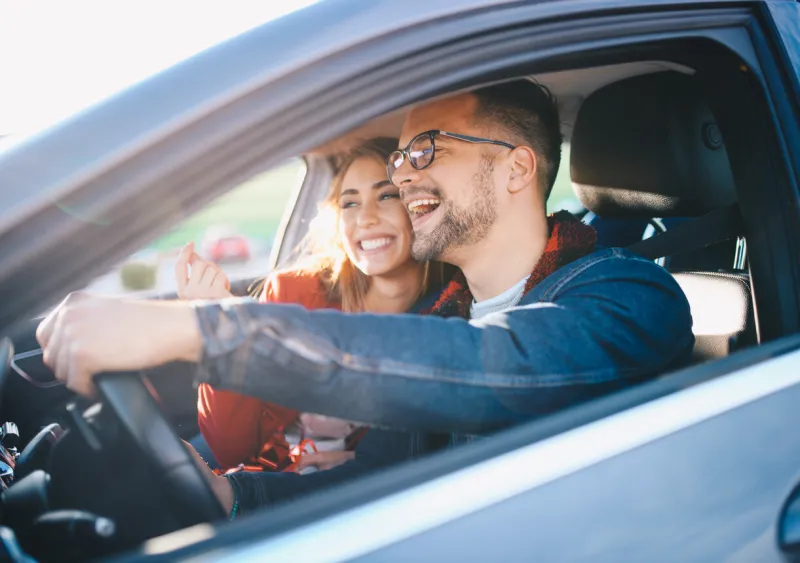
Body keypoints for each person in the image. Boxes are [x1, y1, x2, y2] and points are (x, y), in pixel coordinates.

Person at [36, 80, 694, 517]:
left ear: (518, 167)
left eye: (426, 150)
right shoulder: (448, 311)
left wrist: (203, 330)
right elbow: (377, 476)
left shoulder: (630, 293)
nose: (403, 175)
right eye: (401, 157)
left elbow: (492, 367)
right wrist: (236, 493)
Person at [173, 137, 443, 474]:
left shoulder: (451, 308)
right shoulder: (296, 293)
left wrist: (363, 464)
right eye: (350, 204)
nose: (365, 219)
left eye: (386, 195)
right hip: (272, 477)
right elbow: (233, 449)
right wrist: (224, 332)